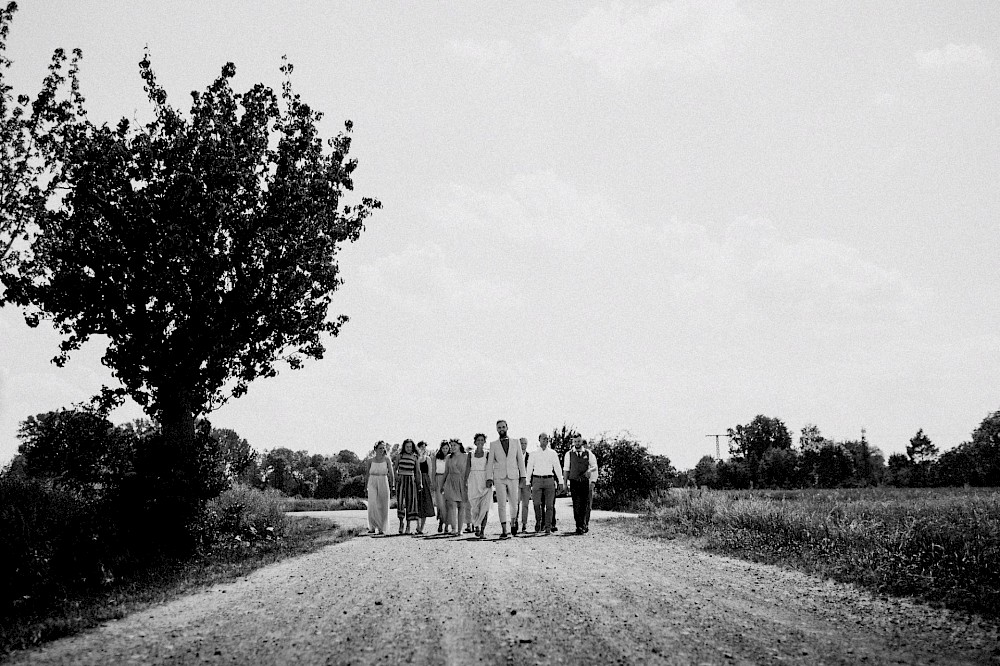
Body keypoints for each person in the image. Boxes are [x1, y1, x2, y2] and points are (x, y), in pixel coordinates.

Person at [486, 419, 526, 540]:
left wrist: (523, 476)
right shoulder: (493, 444)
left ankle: (513, 523)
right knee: (501, 503)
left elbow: (520, 460)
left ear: (507, 427)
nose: (501, 429)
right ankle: (504, 529)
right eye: (499, 427)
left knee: (514, 502)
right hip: (499, 477)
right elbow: (490, 463)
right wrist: (489, 477)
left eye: (503, 427)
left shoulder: (515, 442)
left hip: (513, 476)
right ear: (496, 429)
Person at [525, 432, 563, 534]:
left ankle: (548, 527)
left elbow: (557, 468)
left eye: (547, 439)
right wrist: (527, 481)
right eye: (543, 438)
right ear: (539, 440)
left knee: (549, 505)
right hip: (537, 480)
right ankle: (539, 522)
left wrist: (561, 481)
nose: (545, 440)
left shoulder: (552, 453)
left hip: (549, 480)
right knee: (536, 503)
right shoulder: (533, 453)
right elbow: (529, 468)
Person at [563, 435, 597, 534]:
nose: (577, 443)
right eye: (575, 441)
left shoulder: (588, 453)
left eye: (579, 441)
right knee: (576, 504)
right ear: (573, 442)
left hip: (584, 482)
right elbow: (566, 470)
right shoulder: (569, 454)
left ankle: (582, 525)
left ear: (581, 441)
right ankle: (578, 525)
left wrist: (590, 470)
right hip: (574, 482)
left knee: (584, 504)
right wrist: (565, 484)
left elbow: (594, 465)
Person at [442, 438, 470, 535]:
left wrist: (467, 482)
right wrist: (442, 484)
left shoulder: (466, 456)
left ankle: (460, 529)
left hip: (462, 482)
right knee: (452, 505)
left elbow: (469, 470)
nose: (453, 447)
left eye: (455, 445)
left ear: (459, 446)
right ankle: (453, 528)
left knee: (462, 506)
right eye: (451, 445)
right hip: (450, 481)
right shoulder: (449, 457)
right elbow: (446, 472)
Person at [366, 441, 394, 535]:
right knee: (373, 504)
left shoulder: (387, 459)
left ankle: (381, 527)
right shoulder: (370, 460)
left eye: (383, 448)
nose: (382, 450)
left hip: (383, 479)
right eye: (380, 448)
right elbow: (367, 474)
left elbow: (391, 473)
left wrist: (392, 485)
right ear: (375, 449)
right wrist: (365, 486)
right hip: (372, 481)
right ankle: (372, 526)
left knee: (383, 504)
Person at [467, 433, 492, 538]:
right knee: (475, 507)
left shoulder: (488, 453)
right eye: (478, 440)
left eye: (482, 440)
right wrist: (465, 481)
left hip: (485, 481)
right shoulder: (471, 454)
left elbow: (490, 467)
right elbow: (467, 468)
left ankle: (482, 531)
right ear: (475, 442)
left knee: (484, 507)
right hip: (473, 481)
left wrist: (490, 479)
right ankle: (476, 525)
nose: (480, 442)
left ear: (484, 441)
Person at [394, 439, 421, 534]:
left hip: (410, 480)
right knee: (400, 501)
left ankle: (408, 525)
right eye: (407, 447)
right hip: (401, 480)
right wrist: (396, 477)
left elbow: (417, 471)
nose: (409, 448)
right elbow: (395, 468)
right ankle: (401, 523)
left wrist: (419, 483)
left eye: (410, 447)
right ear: (404, 447)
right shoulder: (400, 456)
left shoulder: (415, 457)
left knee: (410, 502)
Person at [415, 441, 437, 534]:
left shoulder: (427, 458)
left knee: (424, 503)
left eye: (424, 447)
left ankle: (421, 527)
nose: (422, 449)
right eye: (421, 447)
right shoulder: (415, 458)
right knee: (416, 503)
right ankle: (417, 525)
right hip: (416, 480)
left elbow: (430, 471)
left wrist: (430, 483)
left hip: (425, 480)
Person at [433, 441, 450, 532]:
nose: (445, 450)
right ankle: (441, 522)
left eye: (446, 448)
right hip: (438, 479)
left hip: (448, 479)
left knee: (448, 503)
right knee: (441, 504)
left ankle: (447, 525)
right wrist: (433, 483)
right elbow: (433, 470)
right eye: (443, 448)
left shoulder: (451, 457)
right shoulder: (436, 457)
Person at [516, 437, 532, 533]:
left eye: (525, 443)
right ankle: (515, 523)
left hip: (527, 483)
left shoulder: (530, 456)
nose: (523, 445)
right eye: (521, 443)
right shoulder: (515, 456)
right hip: (516, 482)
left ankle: (524, 524)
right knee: (516, 504)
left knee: (525, 504)